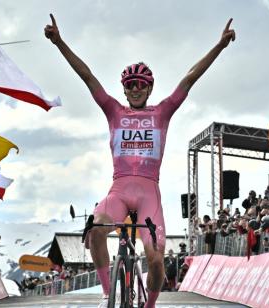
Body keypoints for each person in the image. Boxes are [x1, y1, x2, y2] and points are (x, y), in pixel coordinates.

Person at [45, 13, 235, 307]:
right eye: (130, 84)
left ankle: (150, 304)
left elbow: (190, 77)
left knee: (156, 261)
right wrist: (59, 42)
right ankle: (108, 294)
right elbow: (87, 76)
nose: (135, 88)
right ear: (124, 89)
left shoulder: (162, 112)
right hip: (118, 191)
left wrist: (220, 46)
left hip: (149, 194)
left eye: (141, 84)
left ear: (149, 88)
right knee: (95, 231)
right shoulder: (113, 111)